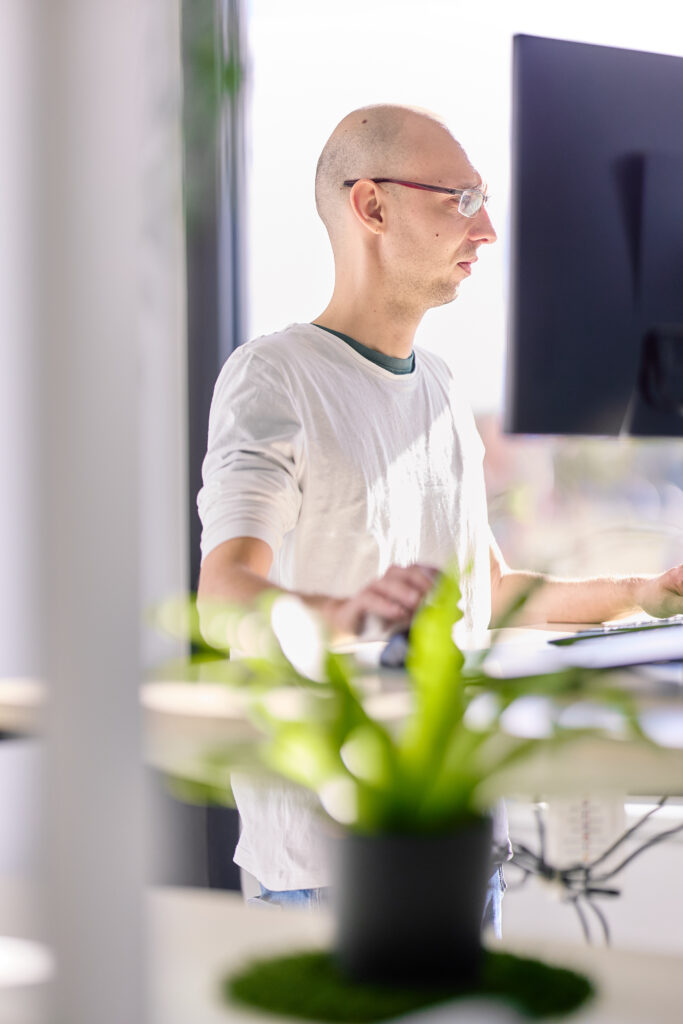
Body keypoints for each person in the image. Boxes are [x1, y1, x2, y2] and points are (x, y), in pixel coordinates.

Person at [196, 104, 683, 922]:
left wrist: (641, 593)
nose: (485, 230)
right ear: (371, 206)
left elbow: (487, 593)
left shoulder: (443, 389)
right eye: (461, 200)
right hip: (331, 867)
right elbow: (225, 597)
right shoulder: (274, 379)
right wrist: (350, 614)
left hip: (463, 841)